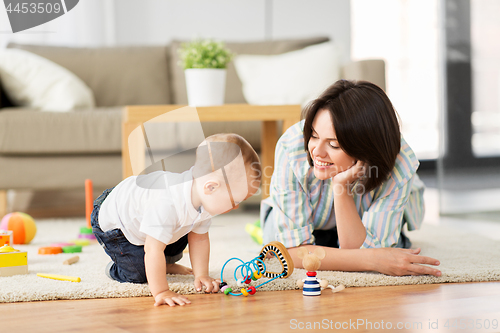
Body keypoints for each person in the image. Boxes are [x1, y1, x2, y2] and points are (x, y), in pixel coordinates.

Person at [261, 79, 441, 277]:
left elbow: (368, 249)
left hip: (357, 221)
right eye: (313, 135)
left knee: (395, 245)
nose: (317, 152)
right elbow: (291, 252)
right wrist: (374, 259)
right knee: (273, 244)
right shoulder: (292, 144)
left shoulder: (400, 162)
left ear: (365, 149)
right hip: (309, 220)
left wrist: (341, 188)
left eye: (334, 145)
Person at [92, 133, 261, 307]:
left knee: (183, 234)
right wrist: (161, 291)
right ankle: (116, 269)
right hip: (116, 223)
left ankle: (165, 263)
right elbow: (152, 249)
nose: (236, 208)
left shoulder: (205, 198)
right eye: (235, 201)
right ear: (211, 187)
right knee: (140, 271)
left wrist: (201, 274)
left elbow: (200, 238)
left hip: (148, 218)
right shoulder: (168, 203)